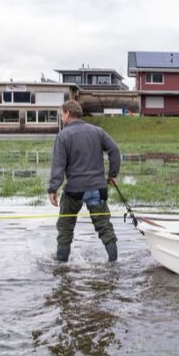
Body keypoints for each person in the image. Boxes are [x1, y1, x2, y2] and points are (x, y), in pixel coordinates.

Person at [47, 100, 121, 263]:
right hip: (98, 189)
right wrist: (113, 174)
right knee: (105, 227)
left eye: (61, 114)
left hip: (74, 191)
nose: (61, 118)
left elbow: (58, 165)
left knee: (65, 229)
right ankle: (114, 264)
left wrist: (53, 189)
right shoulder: (97, 131)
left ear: (67, 113)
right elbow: (114, 150)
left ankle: (61, 267)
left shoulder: (63, 135)